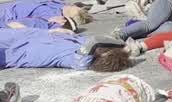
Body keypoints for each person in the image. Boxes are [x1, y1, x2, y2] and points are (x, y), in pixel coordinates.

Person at [0, 27, 131, 71]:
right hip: (29, 35)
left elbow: (95, 41)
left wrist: (120, 44)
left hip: (14, 52)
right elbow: (94, 40)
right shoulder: (81, 41)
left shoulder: (78, 59)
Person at [0, 0, 92, 31]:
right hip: (10, 6)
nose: (70, 6)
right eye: (73, 6)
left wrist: (53, 22)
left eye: (71, 9)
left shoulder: (52, 16)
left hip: (8, 14)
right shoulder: (60, 5)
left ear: (67, 17)